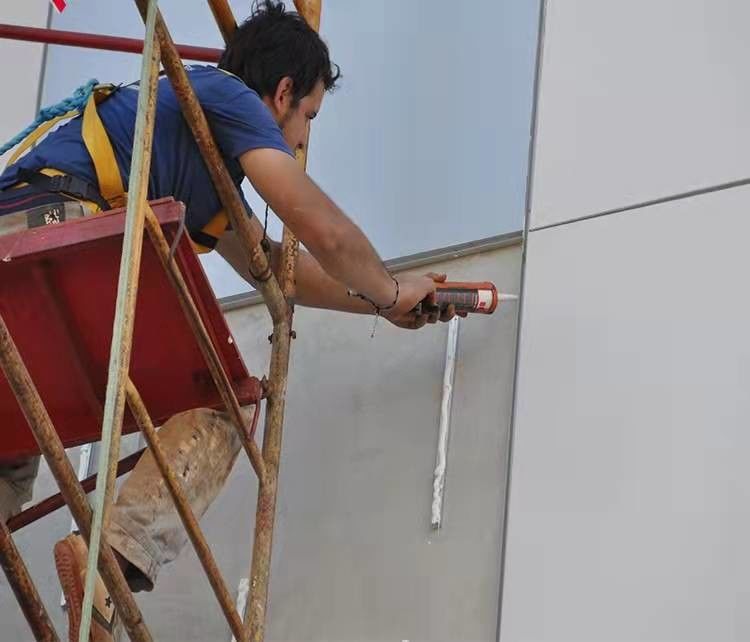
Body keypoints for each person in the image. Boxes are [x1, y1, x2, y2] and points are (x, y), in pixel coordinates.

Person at [0, 2, 460, 639]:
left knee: (10, 446)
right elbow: (320, 227)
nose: (300, 142)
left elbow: (282, 274)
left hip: (16, 260)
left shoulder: (197, 149)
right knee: (225, 400)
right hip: (65, 242)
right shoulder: (228, 95)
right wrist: (390, 287)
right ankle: (111, 561)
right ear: (282, 93)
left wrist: (385, 304)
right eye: (308, 119)